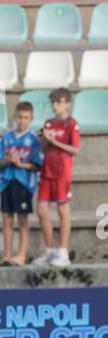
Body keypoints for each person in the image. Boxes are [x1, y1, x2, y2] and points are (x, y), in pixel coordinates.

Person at [32, 88, 80, 268]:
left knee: (62, 210)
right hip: (46, 171)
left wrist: (55, 141)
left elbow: (75, 149)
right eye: (53, 102)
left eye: (59, 102)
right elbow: (43, 149)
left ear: (67, 103)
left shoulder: (71, 124)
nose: (55, 106)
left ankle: (63, 251)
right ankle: (50, 251)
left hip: (62, 173)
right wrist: (44, 138)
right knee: (42, 211)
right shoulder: (49, 123)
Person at [0, 102, 42, 267]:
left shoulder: (33, 140)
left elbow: (37, 165)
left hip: (23, 183)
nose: (22, 120)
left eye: (26, 118)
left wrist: (20, 165)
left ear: (31, 119)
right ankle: (8, 254)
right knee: (7, 218)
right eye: (20, 117)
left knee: (23, 219)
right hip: (6, 182)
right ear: (14, 117)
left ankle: (22, 254)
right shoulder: (7, 138)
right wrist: (7, 160)